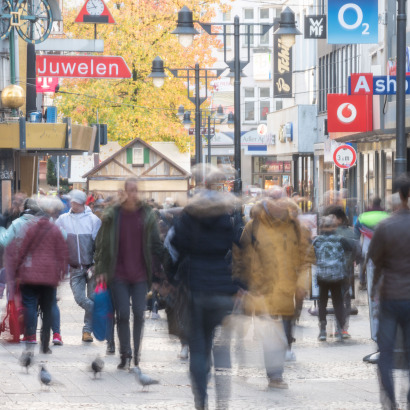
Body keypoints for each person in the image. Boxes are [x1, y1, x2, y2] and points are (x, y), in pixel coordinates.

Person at [171, 171, 241, 410]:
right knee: (221, 347)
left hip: (195, 287)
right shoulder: (225, 219)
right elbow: (237, 246)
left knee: (198, 347)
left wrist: (170, 278)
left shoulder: (188, 218)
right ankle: (223, 400)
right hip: (222, 288)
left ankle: (201, 400)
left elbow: (175, 247)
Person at [236, 197, 313, 389]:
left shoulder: (296, 227)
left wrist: (302, 283)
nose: (278, 205)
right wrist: (240, 284)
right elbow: (240, 255)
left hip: (287, 292)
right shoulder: (253, 226)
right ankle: (275, 376)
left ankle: (275, 372)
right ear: (266, 205)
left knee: (285, 335)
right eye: (273, 201)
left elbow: (306, 259)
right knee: (269, 334)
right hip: (261, 290)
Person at [94, 177, 167, 369]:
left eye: (136, 190)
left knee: (139, 314)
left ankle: (137, 354)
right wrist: (100, 270)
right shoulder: (113, 215)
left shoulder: (146, 214)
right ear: (124, 192)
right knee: (124, 314)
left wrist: (162, 272)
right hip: (118, 273)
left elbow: (155, 244)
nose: (133, 194)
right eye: (130, 190)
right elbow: (101, 244)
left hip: (141, 274)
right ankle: (125, 353)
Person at [368, 175, 410, 409]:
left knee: (385, 351)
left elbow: (375, 259)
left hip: (390, 296)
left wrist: (375, 288)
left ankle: (390, 400)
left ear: (396, 196)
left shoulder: (385, 226)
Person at [6, 216, 68, 353]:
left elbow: (22, 251)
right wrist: (62, 273)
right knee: (48, 308)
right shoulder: (56, 230)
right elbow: (63, 253)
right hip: (49, 276)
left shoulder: (31, 229)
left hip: (30, 276)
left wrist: (17, 272)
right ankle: (45, 344)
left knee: (30, 305)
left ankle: (30, 336)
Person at [55, 190, 101, 343]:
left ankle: (87, 331)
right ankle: (98, 311)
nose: (71, 204)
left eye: (74, 201)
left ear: (82, 203)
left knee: (92, 297)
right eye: (71, 201)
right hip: (75, 267)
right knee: (80, 298)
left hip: (92, 267)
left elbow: (99, 245)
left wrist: (96, 264)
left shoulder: (94, 220)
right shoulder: (62, 219)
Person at [313, 215, 353, 341]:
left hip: (322, 276)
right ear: (334, 227)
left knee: (322, 302)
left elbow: (310, 255)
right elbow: (351, 251)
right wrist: (344, 264)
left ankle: (323, 330)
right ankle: (341, 329)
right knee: (338, 301)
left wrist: (319, 263)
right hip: (337, 275)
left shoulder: (317, 240)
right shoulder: (341, 240)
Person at [324, 205, 361, 338]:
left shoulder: (329, 232)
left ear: (339, 219)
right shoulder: (349, 231)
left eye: (332, 217)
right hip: (346, 270)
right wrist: (356, 260)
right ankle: (343, 328)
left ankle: (338, 328)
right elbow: (358, 249)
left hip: (332, 270)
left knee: (336, 298)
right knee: (345, 297)